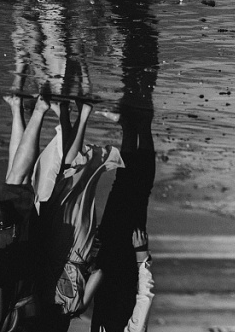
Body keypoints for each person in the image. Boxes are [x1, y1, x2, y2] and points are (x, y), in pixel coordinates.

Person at [33, 99, 122, 324]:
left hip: (82, 247)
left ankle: (64, 114)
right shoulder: (39, 299)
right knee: (67, 174)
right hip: (58, 241)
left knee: (78, 181)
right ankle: (81, 116)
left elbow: (99, 273)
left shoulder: (76, 308)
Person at [0, 94, 52, 332]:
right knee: (16, 180)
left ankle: (16, 108)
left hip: (24, 250)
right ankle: (39, 111)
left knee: (18, 176)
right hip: (7, 243)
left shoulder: (27, 324)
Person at [90, 109, 157, 332]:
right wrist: (141, 255)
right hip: (129, 258)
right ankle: (144, 126)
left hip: (107, 256)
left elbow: (97, 296)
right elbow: (144, 296)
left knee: (120, 187)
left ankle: (128, 127)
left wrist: (95, 255)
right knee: (140, 192)